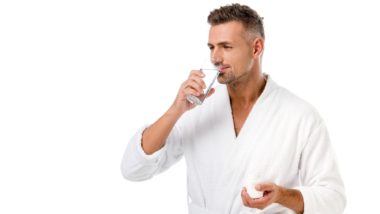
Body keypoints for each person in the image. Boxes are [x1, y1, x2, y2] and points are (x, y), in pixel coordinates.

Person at [121, 3, 346, 214]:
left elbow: (334, 198)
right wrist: (175, 109)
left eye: (226, 47)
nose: (215, 58)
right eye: (211, 47)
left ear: (256, 48)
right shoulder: (196, 108)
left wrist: (280, 195)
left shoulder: (300, 115)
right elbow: (133, 169)